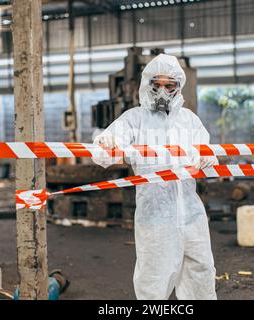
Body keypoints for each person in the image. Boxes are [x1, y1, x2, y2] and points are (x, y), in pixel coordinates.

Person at [92, 53, 218, 300]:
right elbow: (102, 154)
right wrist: (107, 143)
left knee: (200, 273)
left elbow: (207, 153)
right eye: (157, 85)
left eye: (169, 86)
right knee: (154, 279)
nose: (163, 91)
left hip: (191, 214)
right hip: (155, 217)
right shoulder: (134, 119)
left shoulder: (189, 121)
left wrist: (208, 156)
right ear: (147, 84)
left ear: (178, 87)